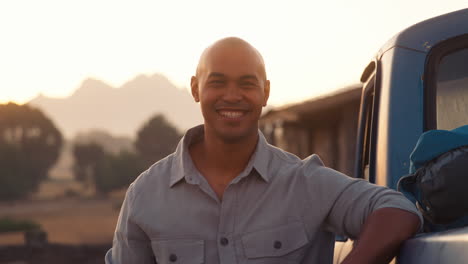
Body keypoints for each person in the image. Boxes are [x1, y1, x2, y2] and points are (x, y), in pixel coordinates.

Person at [105, 37, 421, 264]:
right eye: (217, 82)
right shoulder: (146, 195)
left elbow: (398, 211)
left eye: (247, 83)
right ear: (195, 88)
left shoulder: (305, 183)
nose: (233, 96)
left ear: (265, 92)